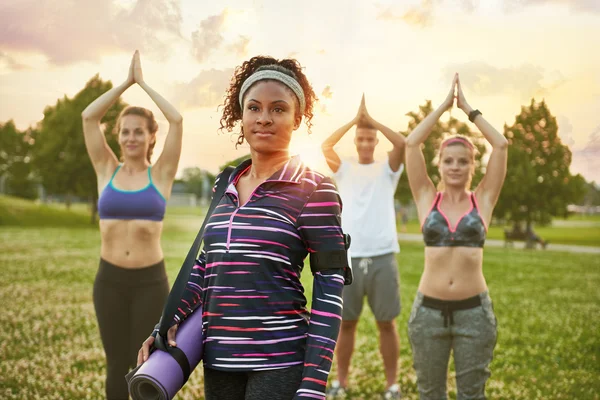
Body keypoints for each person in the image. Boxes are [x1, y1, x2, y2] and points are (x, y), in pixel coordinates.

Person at [138, 56, 351, 400]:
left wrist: (313, 384)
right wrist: (168, 320)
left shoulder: (316, 189)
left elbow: (329, 291)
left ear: (297, 118)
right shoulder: (225, 183)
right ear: (241, 116)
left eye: (278, 109)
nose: (264, 118)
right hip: (219, 358)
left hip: (280, 360)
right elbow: (207, 265)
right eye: (254, 108)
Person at [82, 50, 183, 399]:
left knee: (146, 365)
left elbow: (178, 119)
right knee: (115, 364)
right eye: (124, 132)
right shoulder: (105, 169)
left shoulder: (162, 174)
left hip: (149, 283)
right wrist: (126, 83)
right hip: (109, 280)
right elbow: (88, 117)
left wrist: (144, 84)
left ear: (151, 136)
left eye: (138, 132)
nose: (130, 138)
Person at [405, 73, 508, 400]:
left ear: (472, 166)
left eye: (463, 161)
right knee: (430, 394)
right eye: (448, 161)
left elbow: (501, 145)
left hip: (474, 314)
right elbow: (411, 144)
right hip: (428, 314)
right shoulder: (426, 198)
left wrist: (467, 110)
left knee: (471, 396)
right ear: (439, 165)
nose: (455, 166)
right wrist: (442, 108)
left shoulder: (484, 200)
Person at [321, 96, 406, 399]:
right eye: (361, 138)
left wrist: (372, 119)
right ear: (356, 140)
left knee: (387, 324)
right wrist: (355, 120)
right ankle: (340, 383)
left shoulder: (388, 170)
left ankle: (392, 385)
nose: (366, 143)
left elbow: (403, 144)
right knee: (346, 325)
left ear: (377, 140)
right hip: (350, 257)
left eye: (371, 138)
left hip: (383, 256)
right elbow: (326, 146)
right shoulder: (344, 169)